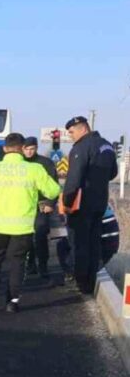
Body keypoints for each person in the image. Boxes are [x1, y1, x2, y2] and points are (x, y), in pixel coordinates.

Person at [0, 133, 61, 312]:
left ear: (4, 148)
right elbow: (54, 191)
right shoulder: (35, 169)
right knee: (17, 262)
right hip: (22, 226)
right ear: (22, 148)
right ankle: (12, 301)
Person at [62, 115, 119, 296]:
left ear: (83, 129)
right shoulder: (107, 145)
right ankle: (91, 280)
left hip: (81, 204)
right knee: (94, 243)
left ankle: (81, 283)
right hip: (100, 202)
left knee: (80, 244)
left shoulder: (81, 147)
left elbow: (74, 179)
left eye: (72, 132)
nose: (70, 136)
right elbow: (113, 173)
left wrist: (67, 202)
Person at [22, 136, 58, 279]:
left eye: (32, 149)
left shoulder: (45, 163)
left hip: (41, 205)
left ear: (36, 148)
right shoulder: (20, 164)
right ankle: (30, 265)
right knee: (26, 237)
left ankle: (43, 266)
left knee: (40, 236)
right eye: (26, 149)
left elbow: (54, 185)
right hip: (24, 206)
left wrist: (50, 203)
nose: (29, 152)